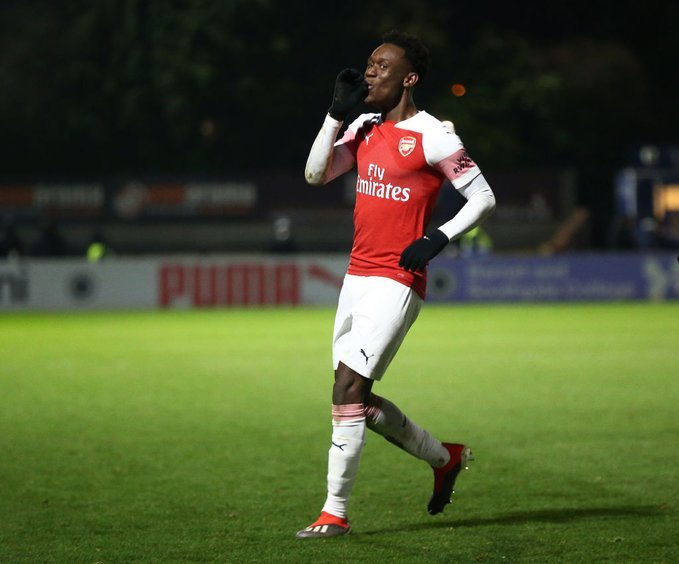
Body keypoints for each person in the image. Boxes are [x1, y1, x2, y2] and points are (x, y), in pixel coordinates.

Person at [296, 30, 496, 539]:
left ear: (408, 78)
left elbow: (483, 197)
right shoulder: (362, 127)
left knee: (348, 387)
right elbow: (316, 175)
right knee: (355, 402)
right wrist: (334, 115)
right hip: (357, 275)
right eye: (368, 64)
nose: (370, 72)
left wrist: (438, 237)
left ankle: (334, 513)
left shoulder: (435, 135)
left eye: (381, 66)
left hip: (398, 278)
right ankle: (443, 457)